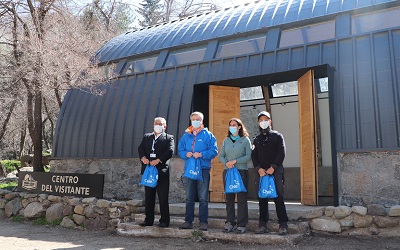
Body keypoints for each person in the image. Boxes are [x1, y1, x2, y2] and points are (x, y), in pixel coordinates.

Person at [178, 111, 218, 231]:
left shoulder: (209, 135)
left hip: (203, 169)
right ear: (191, 121)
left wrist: (201, 154)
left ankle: (203, 222)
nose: (195, 121)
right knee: (189, 197)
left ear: (202, 121)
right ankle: (188, 221)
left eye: (198, 119)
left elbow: (214, 151)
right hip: (190, 170)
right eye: (193, 119)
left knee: (203, 198)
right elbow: (180, 150)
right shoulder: (186, 136)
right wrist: (186, 153)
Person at [251, 111, 289, 235]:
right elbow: (254, 156)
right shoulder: (256, 139)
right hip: (261, 173)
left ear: (270, 121)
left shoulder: (278, 136)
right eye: (261, 120)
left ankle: (283, 224)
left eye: (265, 119)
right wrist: (258, 168)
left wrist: (274, 166)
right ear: (258, 122)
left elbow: (281, 153)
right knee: (262, 199)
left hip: (275, 172)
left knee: (278, 198)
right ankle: (262, 224)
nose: (263, 122)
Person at [138, 117, 175, 228]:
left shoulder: (169, 138)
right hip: (148, 171)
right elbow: (141, 148)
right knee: (149, 197)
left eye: (161, 124)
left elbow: (170, 151)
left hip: (161, 172)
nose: (158, 125)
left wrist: (158, 160)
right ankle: (148, 220)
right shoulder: (147, 137)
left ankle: (164, 221)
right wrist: (143, 158)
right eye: (156, 123)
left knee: (163, 197)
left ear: (165, 126)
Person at [219, 118, 252, 234]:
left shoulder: (245, 140)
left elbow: (248, 156)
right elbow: (221, 156)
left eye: (234, 125)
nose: (232, 127)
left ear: (239, 127)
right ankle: (229, 222)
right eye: (230, 125)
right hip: (228, 172)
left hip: (241, 171)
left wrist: (235, 161)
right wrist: (226, 163)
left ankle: (242, 224)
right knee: (229, 198)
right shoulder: (226, 141)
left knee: (242, 198)